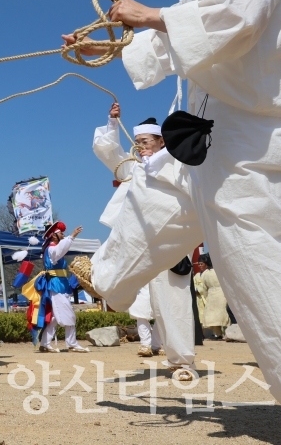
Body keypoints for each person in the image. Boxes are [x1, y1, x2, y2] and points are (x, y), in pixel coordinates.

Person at [64, 0, 281, 422]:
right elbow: (185, 40)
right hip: (210, 139)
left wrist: (149, 15)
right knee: (158, 200)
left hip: (252, 141)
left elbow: (233, 19)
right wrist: (109, 42)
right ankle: (107, 277)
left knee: (259, 265)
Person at [86, 103, 197, 376]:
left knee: (173, 303)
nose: (140, 147)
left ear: (162, 141)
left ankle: (182, 362)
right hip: (136, 246)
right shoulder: (134, 168)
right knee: (141, 304)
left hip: (169, 243)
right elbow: (107, 152)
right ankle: (100, 281)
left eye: (145, 141)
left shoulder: (179, 165)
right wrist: (113, 124)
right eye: (136, 142)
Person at [38, 222, 89, 354]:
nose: (63, 234)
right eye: (60, 232)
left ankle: (45, 343)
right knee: (69, 314)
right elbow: (61, 249)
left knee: (55, 317)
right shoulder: (51, 249)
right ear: (53, 235)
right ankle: (72, 343)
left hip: (60, 283)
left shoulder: (52, 248)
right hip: (56, 284)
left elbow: (61, 249)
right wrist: (72, 236)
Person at [128, 285, 163, 358]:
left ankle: (154, 346)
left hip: (159, 283)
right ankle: (146, 345)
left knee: (162, 315)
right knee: (141, 314)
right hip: (142, 284)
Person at [198, 255, 229, 339]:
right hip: (222, 293)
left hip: (211, 294)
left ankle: (218, 334)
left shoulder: (205, 273)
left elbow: (204, 288)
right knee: (224, 315)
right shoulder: (220, 270)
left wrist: (206, 296)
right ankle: (227, 334)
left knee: (213, 316)